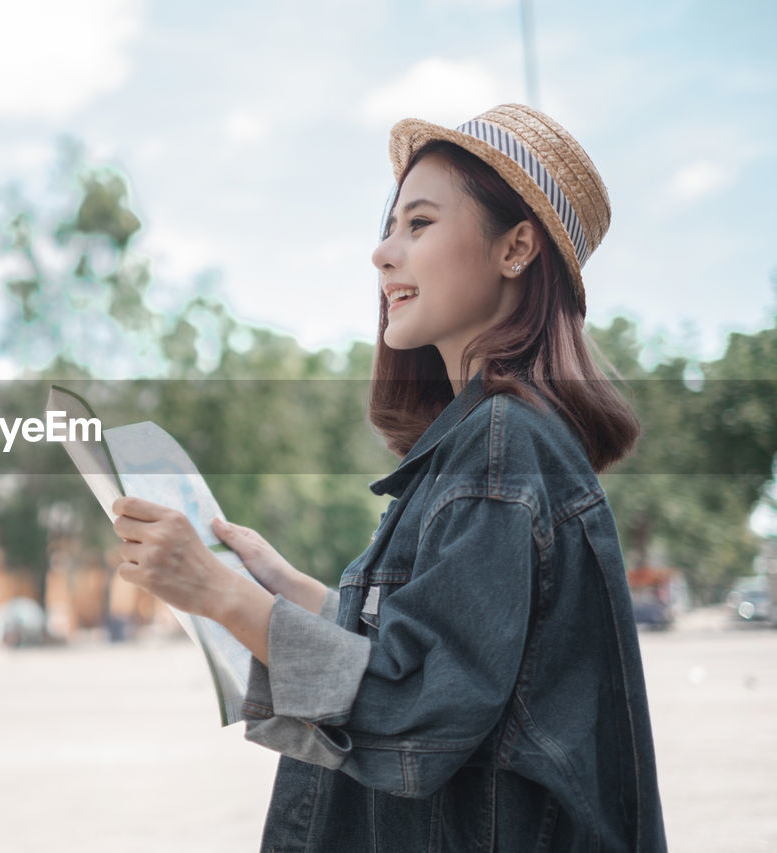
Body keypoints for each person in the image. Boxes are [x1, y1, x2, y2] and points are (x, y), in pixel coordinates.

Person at [111, 104, 667, 851]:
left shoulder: (503, 446)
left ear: (516, 248)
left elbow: (415, 702)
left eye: (419, 224)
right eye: (387, 227)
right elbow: (433, 648)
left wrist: (220, 593)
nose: (382, 254)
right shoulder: (485, 439)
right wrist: (292, 590)